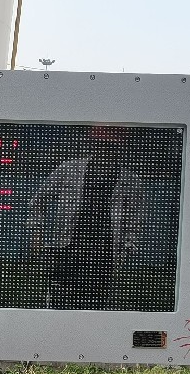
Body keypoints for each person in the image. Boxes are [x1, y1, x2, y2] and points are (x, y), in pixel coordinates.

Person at [26, 125, 144, 310]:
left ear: (120, 149)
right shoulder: (70, 170)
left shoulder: (131, 182)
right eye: (101, 145)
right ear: (93, 145)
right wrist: (37, 235)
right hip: (67, 251)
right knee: (60, 304)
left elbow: (134, 224)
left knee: (96, 308)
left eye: (111, 146)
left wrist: (122, 256)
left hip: (103, 256)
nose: (105, 150)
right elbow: (38, 199)